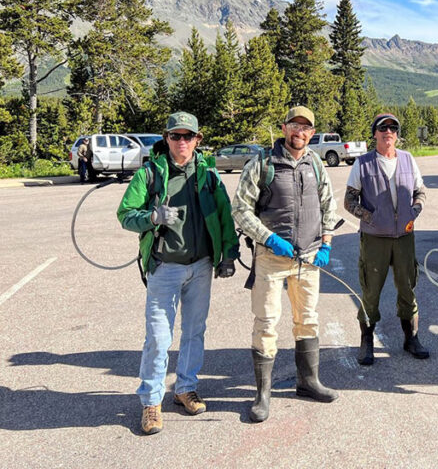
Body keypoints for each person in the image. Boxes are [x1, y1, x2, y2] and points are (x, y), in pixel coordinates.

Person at [116, 111, 239, 435]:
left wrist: (229, 254)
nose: (182, 142)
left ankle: (185, 388)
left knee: (195, 332)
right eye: (175, 136)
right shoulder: (150, 175)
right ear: (166, 139)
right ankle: (151, 403)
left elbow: (225, 216)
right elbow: (126, 214)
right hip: (164, 268)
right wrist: (152, 217)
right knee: (158, 338)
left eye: (188, 136)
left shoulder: (208, 175)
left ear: (198, 140)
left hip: (201, 266)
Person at [232, 105, 340, 424]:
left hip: (308, 258)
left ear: (311, 133)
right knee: (266, 322)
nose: (300, 133)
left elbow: (328, 205)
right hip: (271, 258)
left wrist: (327, 243)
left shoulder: (315, 163)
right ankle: (262, 394)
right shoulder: (262, 164)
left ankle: (308, 382)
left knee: (307, 319)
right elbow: (241, 210)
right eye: (295, 126)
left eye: (306, 128)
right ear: (284, 129)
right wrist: (268, 238)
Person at [344, 113, 429, 366]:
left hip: (404, 236)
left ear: (397, 134)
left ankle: (411, 338)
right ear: (375, 134)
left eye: (393, 128)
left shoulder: (408, 159)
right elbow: (349, 200)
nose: (388, 132)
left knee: (407, 288)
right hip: (374, 239)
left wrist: (414, 211)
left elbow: (420, 191)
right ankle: (367, 341)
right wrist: (370, 217)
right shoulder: (363, 163)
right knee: (371, 291)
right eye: (383, 128)